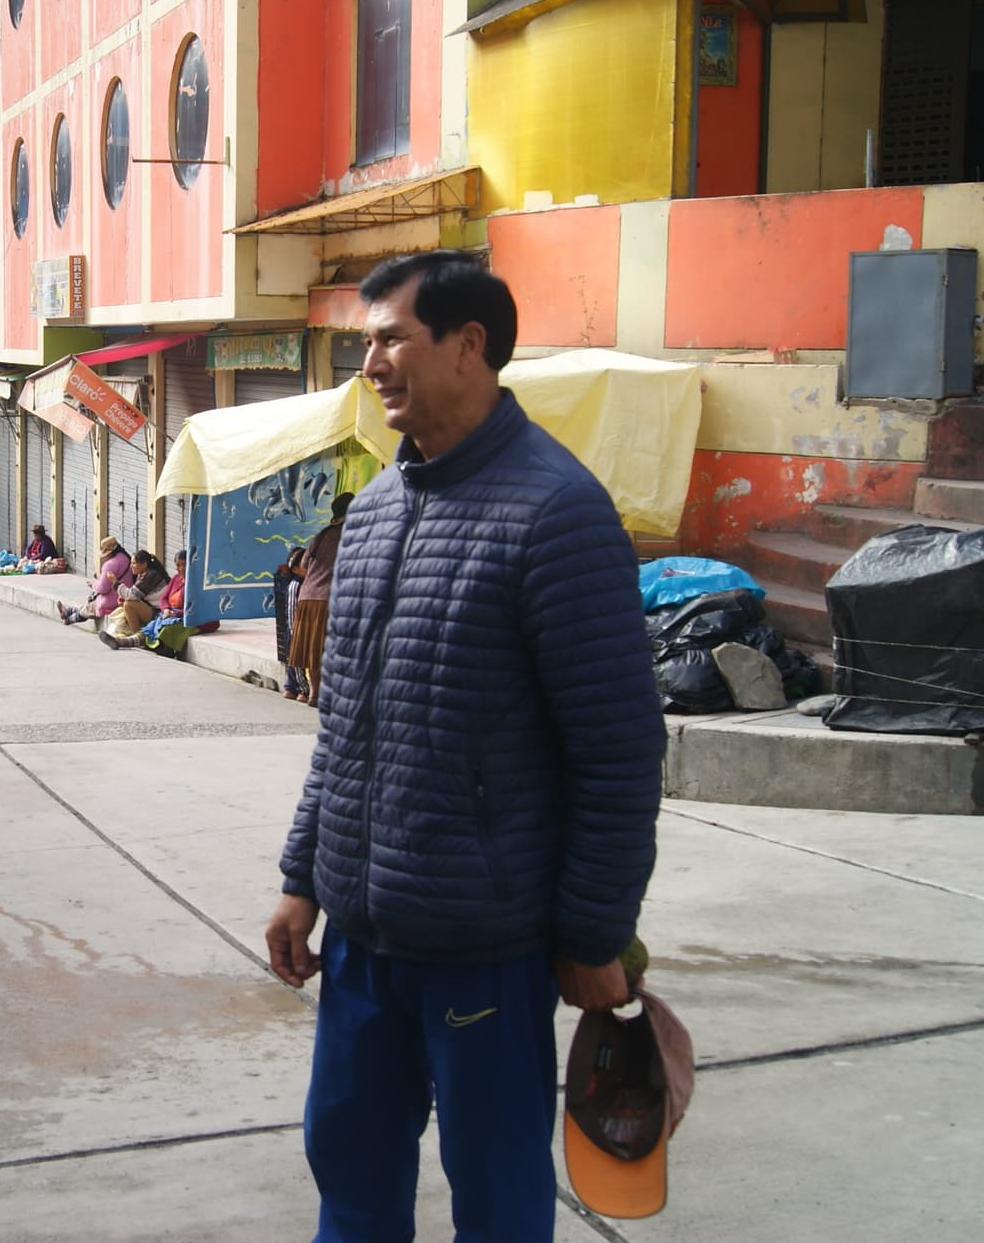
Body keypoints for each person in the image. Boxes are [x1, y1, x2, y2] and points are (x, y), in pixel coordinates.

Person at [264, 251, 665, 1243]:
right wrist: (300, 875)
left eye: (390, 338)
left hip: (485, 947)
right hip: (362, 937)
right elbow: (345, 725)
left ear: (468, 345)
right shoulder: (378, 509)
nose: (371, 365)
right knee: (348, 1168)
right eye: (366, 343)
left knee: (494, 1196)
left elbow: (616, 752)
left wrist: (588, 933)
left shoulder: (555, 513)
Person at [287, 491, 350, 707]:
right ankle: (332, 695)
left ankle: (314, 694)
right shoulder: (351, 534)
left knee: (313, 650)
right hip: (331, 598)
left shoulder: (322, 534)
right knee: (330, 649)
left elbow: (304, 565)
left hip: (308, 597)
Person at [97, 549, 170, 648]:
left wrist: (115, 582)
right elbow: (135, 594)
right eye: (131, 563)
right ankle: (128, 637)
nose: (131, 566)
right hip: (150, 608)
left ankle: (137, 637)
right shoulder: (142, 575)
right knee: (125, 605)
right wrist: (123, 598)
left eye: (134, 563)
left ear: (144, 564)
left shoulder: (152, 575)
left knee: (128, 604)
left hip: (159, 612)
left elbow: (131, 595)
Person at [55, 535, 129, 627]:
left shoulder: (111, 564)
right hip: (123, 596)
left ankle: (68, 619)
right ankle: (68, 612)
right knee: (88, 605)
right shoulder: (126, 558)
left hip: (114, 600)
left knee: (91, 607)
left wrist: (93, 584)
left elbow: (103, 588)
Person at [273, 545, 307, 701]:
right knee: (296, 660)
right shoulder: (296, 585)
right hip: (294, 629)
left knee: (294, 660)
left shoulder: (301, 583)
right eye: (305, 565)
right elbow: (292, 611)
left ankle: (292, 687)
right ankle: (302, 689)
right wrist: (296, 632)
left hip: (296, 629)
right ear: (295, 569)